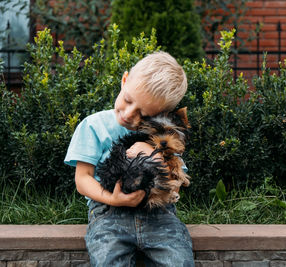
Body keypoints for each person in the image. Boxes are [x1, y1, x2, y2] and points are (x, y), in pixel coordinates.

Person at [64, 51, 194, 266]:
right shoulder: (93, 126)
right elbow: (83, 179)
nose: (128, 114)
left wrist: (153, 155)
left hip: (159, 215)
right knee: (109, 261)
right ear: (124, 81)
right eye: (128, 100)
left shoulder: (164, 136)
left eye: (143, 115)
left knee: (178, 261)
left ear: (161, 115)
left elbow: (175, 186)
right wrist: (112, 198)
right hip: (108, 214)